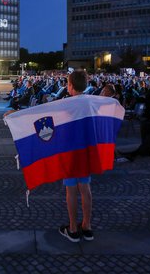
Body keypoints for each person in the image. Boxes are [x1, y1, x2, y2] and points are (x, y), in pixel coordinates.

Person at [59, 70, 94, 243]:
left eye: (67, 83)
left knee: (71, 191)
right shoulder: (90, 102)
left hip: (70, 152)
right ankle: (87, 226)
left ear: (71, 85)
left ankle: (73, 228)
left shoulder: (67, 103)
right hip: (85, 151)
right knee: (85, 189)